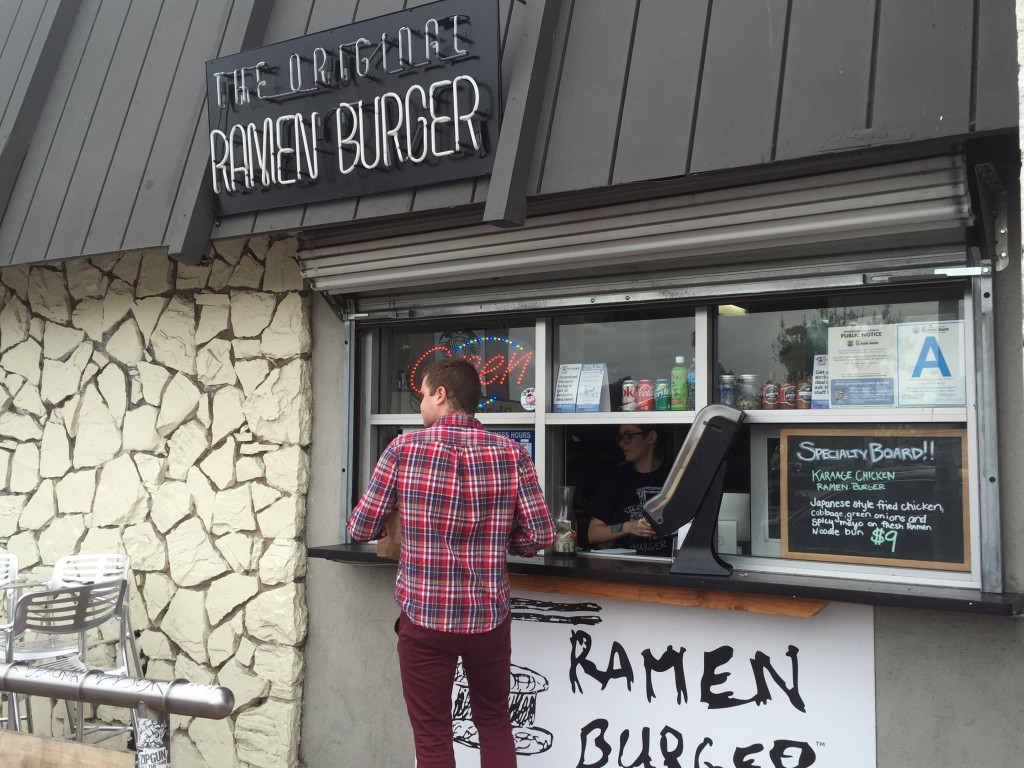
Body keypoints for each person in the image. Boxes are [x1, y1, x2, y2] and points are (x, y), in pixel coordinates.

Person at [348, 357, 555, 768]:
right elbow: (541, 535)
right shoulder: (512, 454)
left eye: (421, 395)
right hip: (487, 618)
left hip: (425, 619)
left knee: (432, 736)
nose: (420, 404)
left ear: (440, 395)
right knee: (495, 722)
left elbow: (361, 527)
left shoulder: (403, 449)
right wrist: (502, 538)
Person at [587, 425, 675, 556]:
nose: (622, 443)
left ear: (651, 437)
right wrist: (627, 527)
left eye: (629, 436)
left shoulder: (674, 476)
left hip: (668, 564)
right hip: (626, 566)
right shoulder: (616, 478)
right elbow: (593, 534)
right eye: (620, 437)